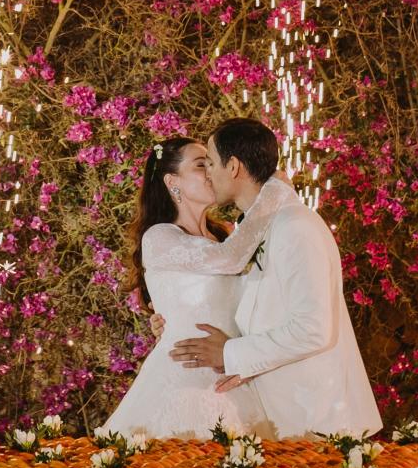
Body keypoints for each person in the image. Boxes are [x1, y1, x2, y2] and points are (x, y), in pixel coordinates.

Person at [166, 117, 382, 439]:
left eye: (210, 162)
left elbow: (313, 329)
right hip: (288, 415)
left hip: (319, 417)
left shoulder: (294, 226)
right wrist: (175, 319)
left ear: (234, 166)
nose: (208, 173)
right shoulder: (259, 229)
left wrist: (231, 354)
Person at [103, 135, 292, 439]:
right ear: (172, 181)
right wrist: (272, 193)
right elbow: (230, 260)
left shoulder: (223, 236)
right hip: (185, 380)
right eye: (201, 164)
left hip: (233, 372)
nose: (211, 172)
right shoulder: (160, 237)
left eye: (212, 163)